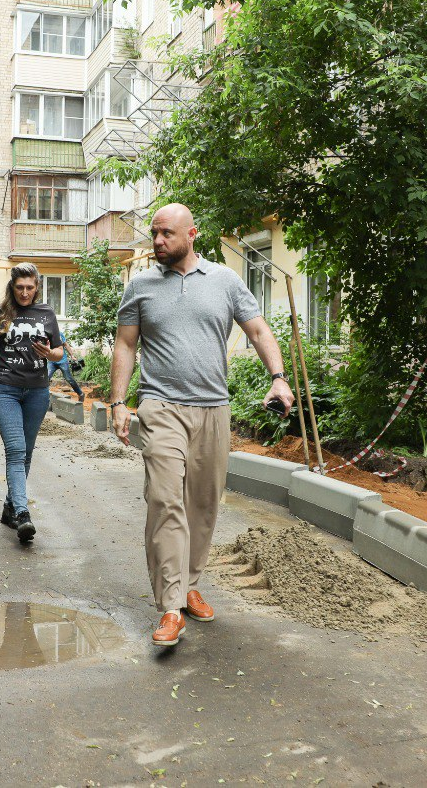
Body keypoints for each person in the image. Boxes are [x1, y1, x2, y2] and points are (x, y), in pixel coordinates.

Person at [110, 204, 294, 647]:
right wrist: (118, 402)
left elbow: (258, 331)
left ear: (192, 234)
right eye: (154, 233)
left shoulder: (225, 281)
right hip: (160, 406)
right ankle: (171, 606)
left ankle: (189, 582)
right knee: (164, 499)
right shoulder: (140, 285)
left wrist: (279, 377)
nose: (157, 241)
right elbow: (125, 344)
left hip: (213, 408)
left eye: (167, 234)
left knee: (203, 505)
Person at [0, 263, 64, 544]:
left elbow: (59, 351)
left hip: (37, 392)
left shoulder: (46, 313)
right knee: (16, 449)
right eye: (19, 287)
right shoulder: (0, 313)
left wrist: (50, 353)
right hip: (4, 389)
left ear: (37, 287)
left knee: (26, 452)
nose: (24, 292)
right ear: (12, 286)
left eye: (29, 287)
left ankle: (10, 507)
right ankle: (22, 512)